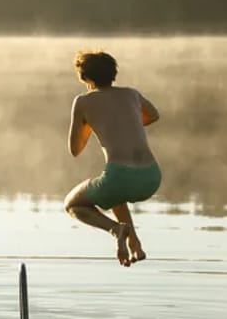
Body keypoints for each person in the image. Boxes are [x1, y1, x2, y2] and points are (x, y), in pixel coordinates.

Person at [64, 50, 161, 266]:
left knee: (73, 205)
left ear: (86, 78)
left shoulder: (83, 101)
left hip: (119, 178)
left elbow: (75, 149)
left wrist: (92, 125)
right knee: (114, 191)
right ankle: (135, 244)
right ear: (113, 74)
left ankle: (116, 229)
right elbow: (154, 115)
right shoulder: (132, 94)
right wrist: (128, 125)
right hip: (152, 176)